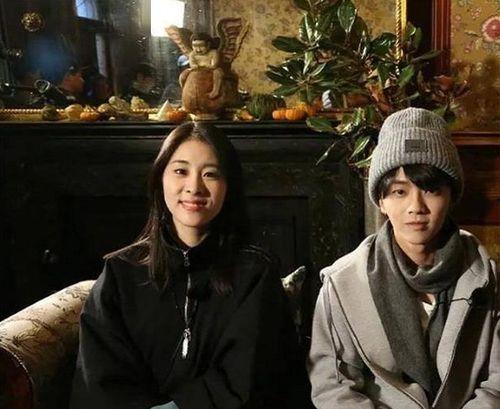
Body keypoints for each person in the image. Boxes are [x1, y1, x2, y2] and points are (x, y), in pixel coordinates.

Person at [70, 122, 310, 409]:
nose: (194, 187)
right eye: (180, 171)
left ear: (228, 187)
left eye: (210, 174)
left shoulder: (255, 274)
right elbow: (99, 379)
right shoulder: (119, 273)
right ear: (160, 178)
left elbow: (251, 380)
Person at [308, 107, 499, 408]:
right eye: (399, 192)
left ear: (451, 196)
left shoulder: (487, 278)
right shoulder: (342, 284)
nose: (416, 207)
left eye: (431, 190)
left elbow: (496, 384)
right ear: (381, 200)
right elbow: (333, 386)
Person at [179, 33, 223, 100]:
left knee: (218, 73)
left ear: (208, 45)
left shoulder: (213, 52)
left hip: (211, 70)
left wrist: (208, 66)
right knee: (183, 75)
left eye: (201, 46)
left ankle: (215, 90)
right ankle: (183, 89)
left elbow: (214, 65)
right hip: (196, 69)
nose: (198, 49)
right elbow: (192, 64)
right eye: (195, 46)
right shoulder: (192, 54)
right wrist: (194, 66)